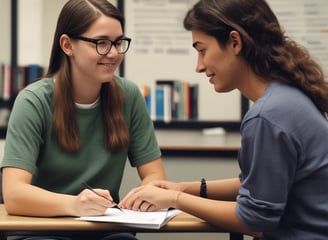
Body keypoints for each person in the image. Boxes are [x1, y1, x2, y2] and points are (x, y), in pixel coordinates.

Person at [119, 0, 328, 239]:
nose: (199, 66)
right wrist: (182, 188)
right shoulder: (288, 98)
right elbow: (258, 187)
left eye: (202, 50)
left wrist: (175, 199)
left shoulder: (268, 115)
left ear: (235, 42)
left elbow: (254, 220)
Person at [0, 0, 166, 239]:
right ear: (68, 45)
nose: (114, 53)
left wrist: (143, 194)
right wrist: (76, 205)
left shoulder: (129, 96)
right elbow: (14, 195)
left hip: (104, 231)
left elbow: (155, 175)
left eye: (118, 42)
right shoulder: (33, 101)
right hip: (41, 232)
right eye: (101, 43)